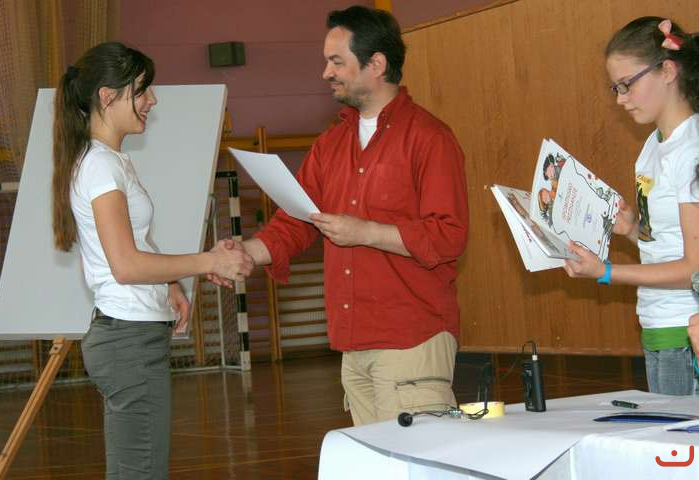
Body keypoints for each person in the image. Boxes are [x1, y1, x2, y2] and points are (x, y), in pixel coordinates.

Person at [221, 6, 468, 426]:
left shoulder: (429, 138)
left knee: (414, 459)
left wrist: (366, 232)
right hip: (354, 345)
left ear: (377, 64)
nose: (326, 73)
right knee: (370, 459)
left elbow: (449, 236)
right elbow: (296, 222)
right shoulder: (331, 144)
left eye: (337, 61)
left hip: (412, 339)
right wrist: (244, 253)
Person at [51, 42, 254, 478]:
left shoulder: (109, 161)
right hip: (128, 342)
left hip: (131, 339)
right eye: (142, 91)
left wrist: (170, 283)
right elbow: (125, 265)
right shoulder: (100, 166)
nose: (152, 100)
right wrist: (209, 262)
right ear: (108, 97)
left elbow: (136, 241)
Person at [564, 17, 699, 395]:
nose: (620, 99)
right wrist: (633, 230)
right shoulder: (653, 147)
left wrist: (606, 271)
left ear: (667, 71)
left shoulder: (691, 151)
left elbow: (694, 269)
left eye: (627, 85)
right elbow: (666, 243)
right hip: (657, 325)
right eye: (616, 88)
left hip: (685, 327)